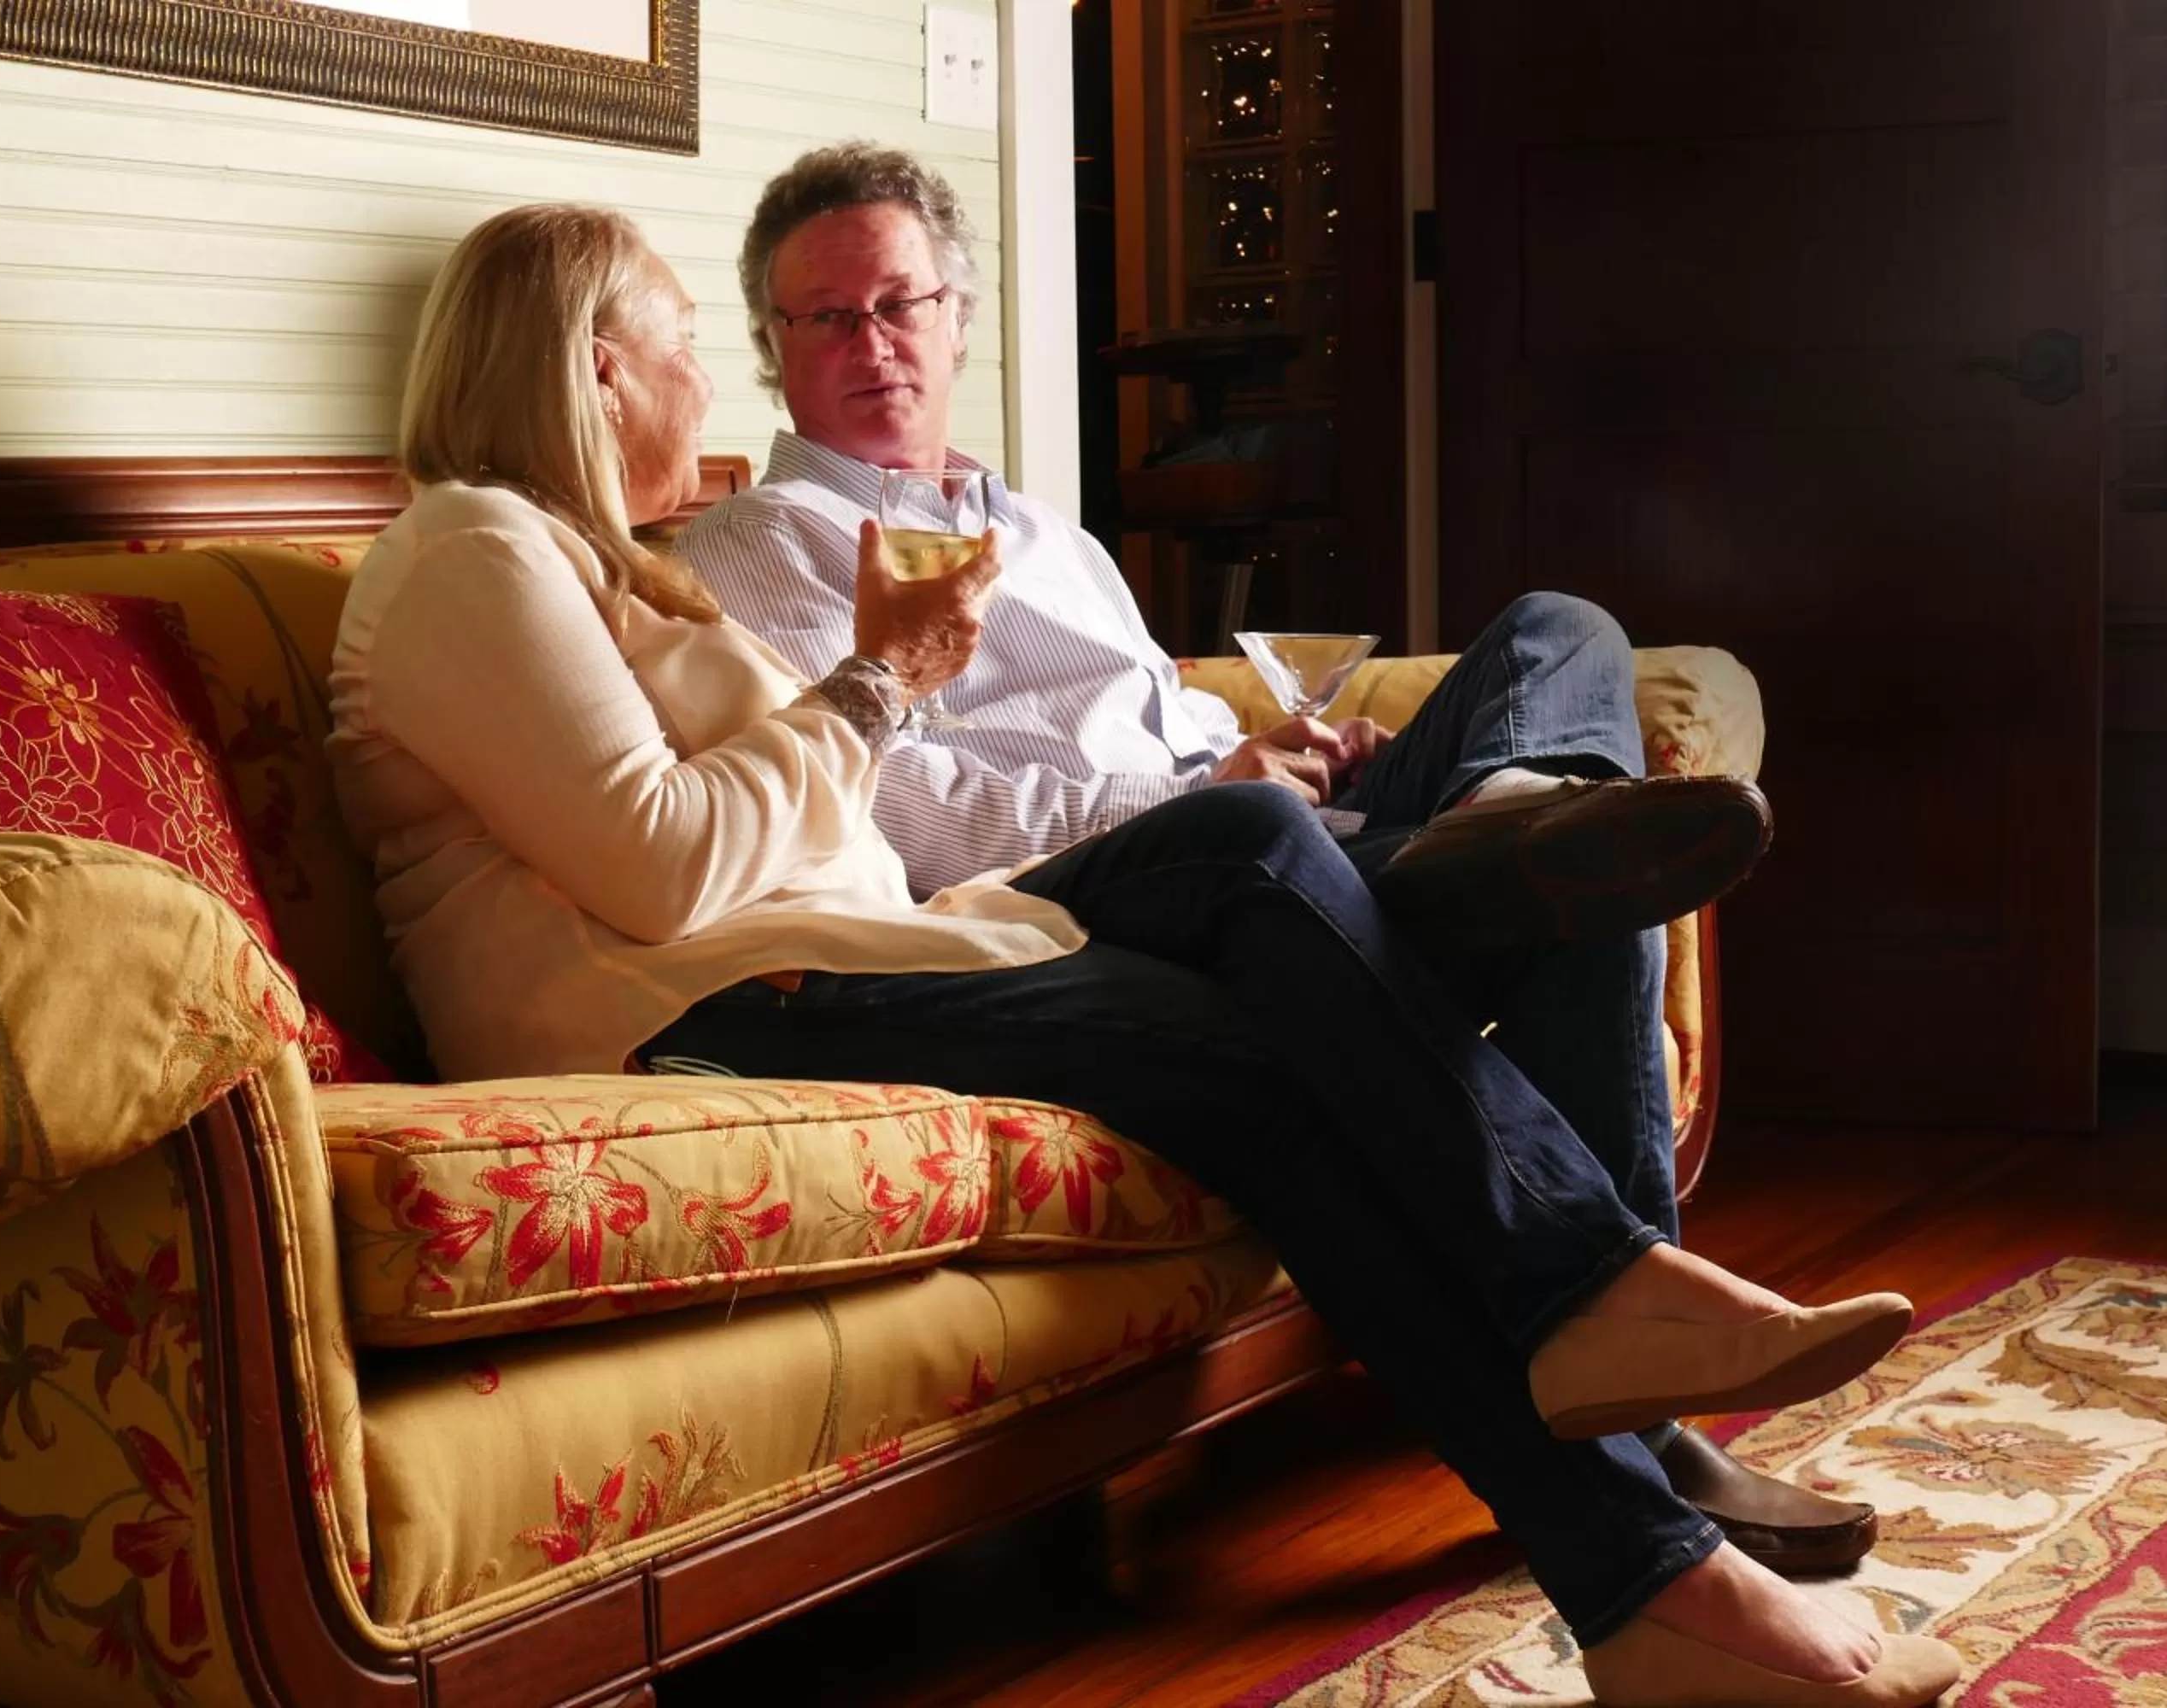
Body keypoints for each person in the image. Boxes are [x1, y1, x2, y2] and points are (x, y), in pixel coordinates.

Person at [326, 201, 1960, 1708]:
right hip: (708, 1009)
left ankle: (1618, 1387)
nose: (701, 376)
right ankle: (1635, 1466)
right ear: (599, 366)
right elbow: (668, 857)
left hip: (871, 951)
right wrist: (885, 685)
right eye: (691, 337)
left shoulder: (603, 567)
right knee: (1286, 1038)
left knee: (1273, 852)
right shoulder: (472, 546)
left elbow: (792, 828)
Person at [679, 143, 1877, 1583]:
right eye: (826, 317)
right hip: (1076, 903)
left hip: (1245, 840)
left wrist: (1307, 748)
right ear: (774, 346)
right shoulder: (761, 546)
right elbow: (894, 807)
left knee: (1565, 653)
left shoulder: (1044, 535)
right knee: (1401, 851)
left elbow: (1165, 709)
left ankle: (1504, 814)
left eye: (900, 303)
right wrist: (1204, 782)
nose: (873, 343)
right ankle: (1645, 1422)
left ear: (956, 312)